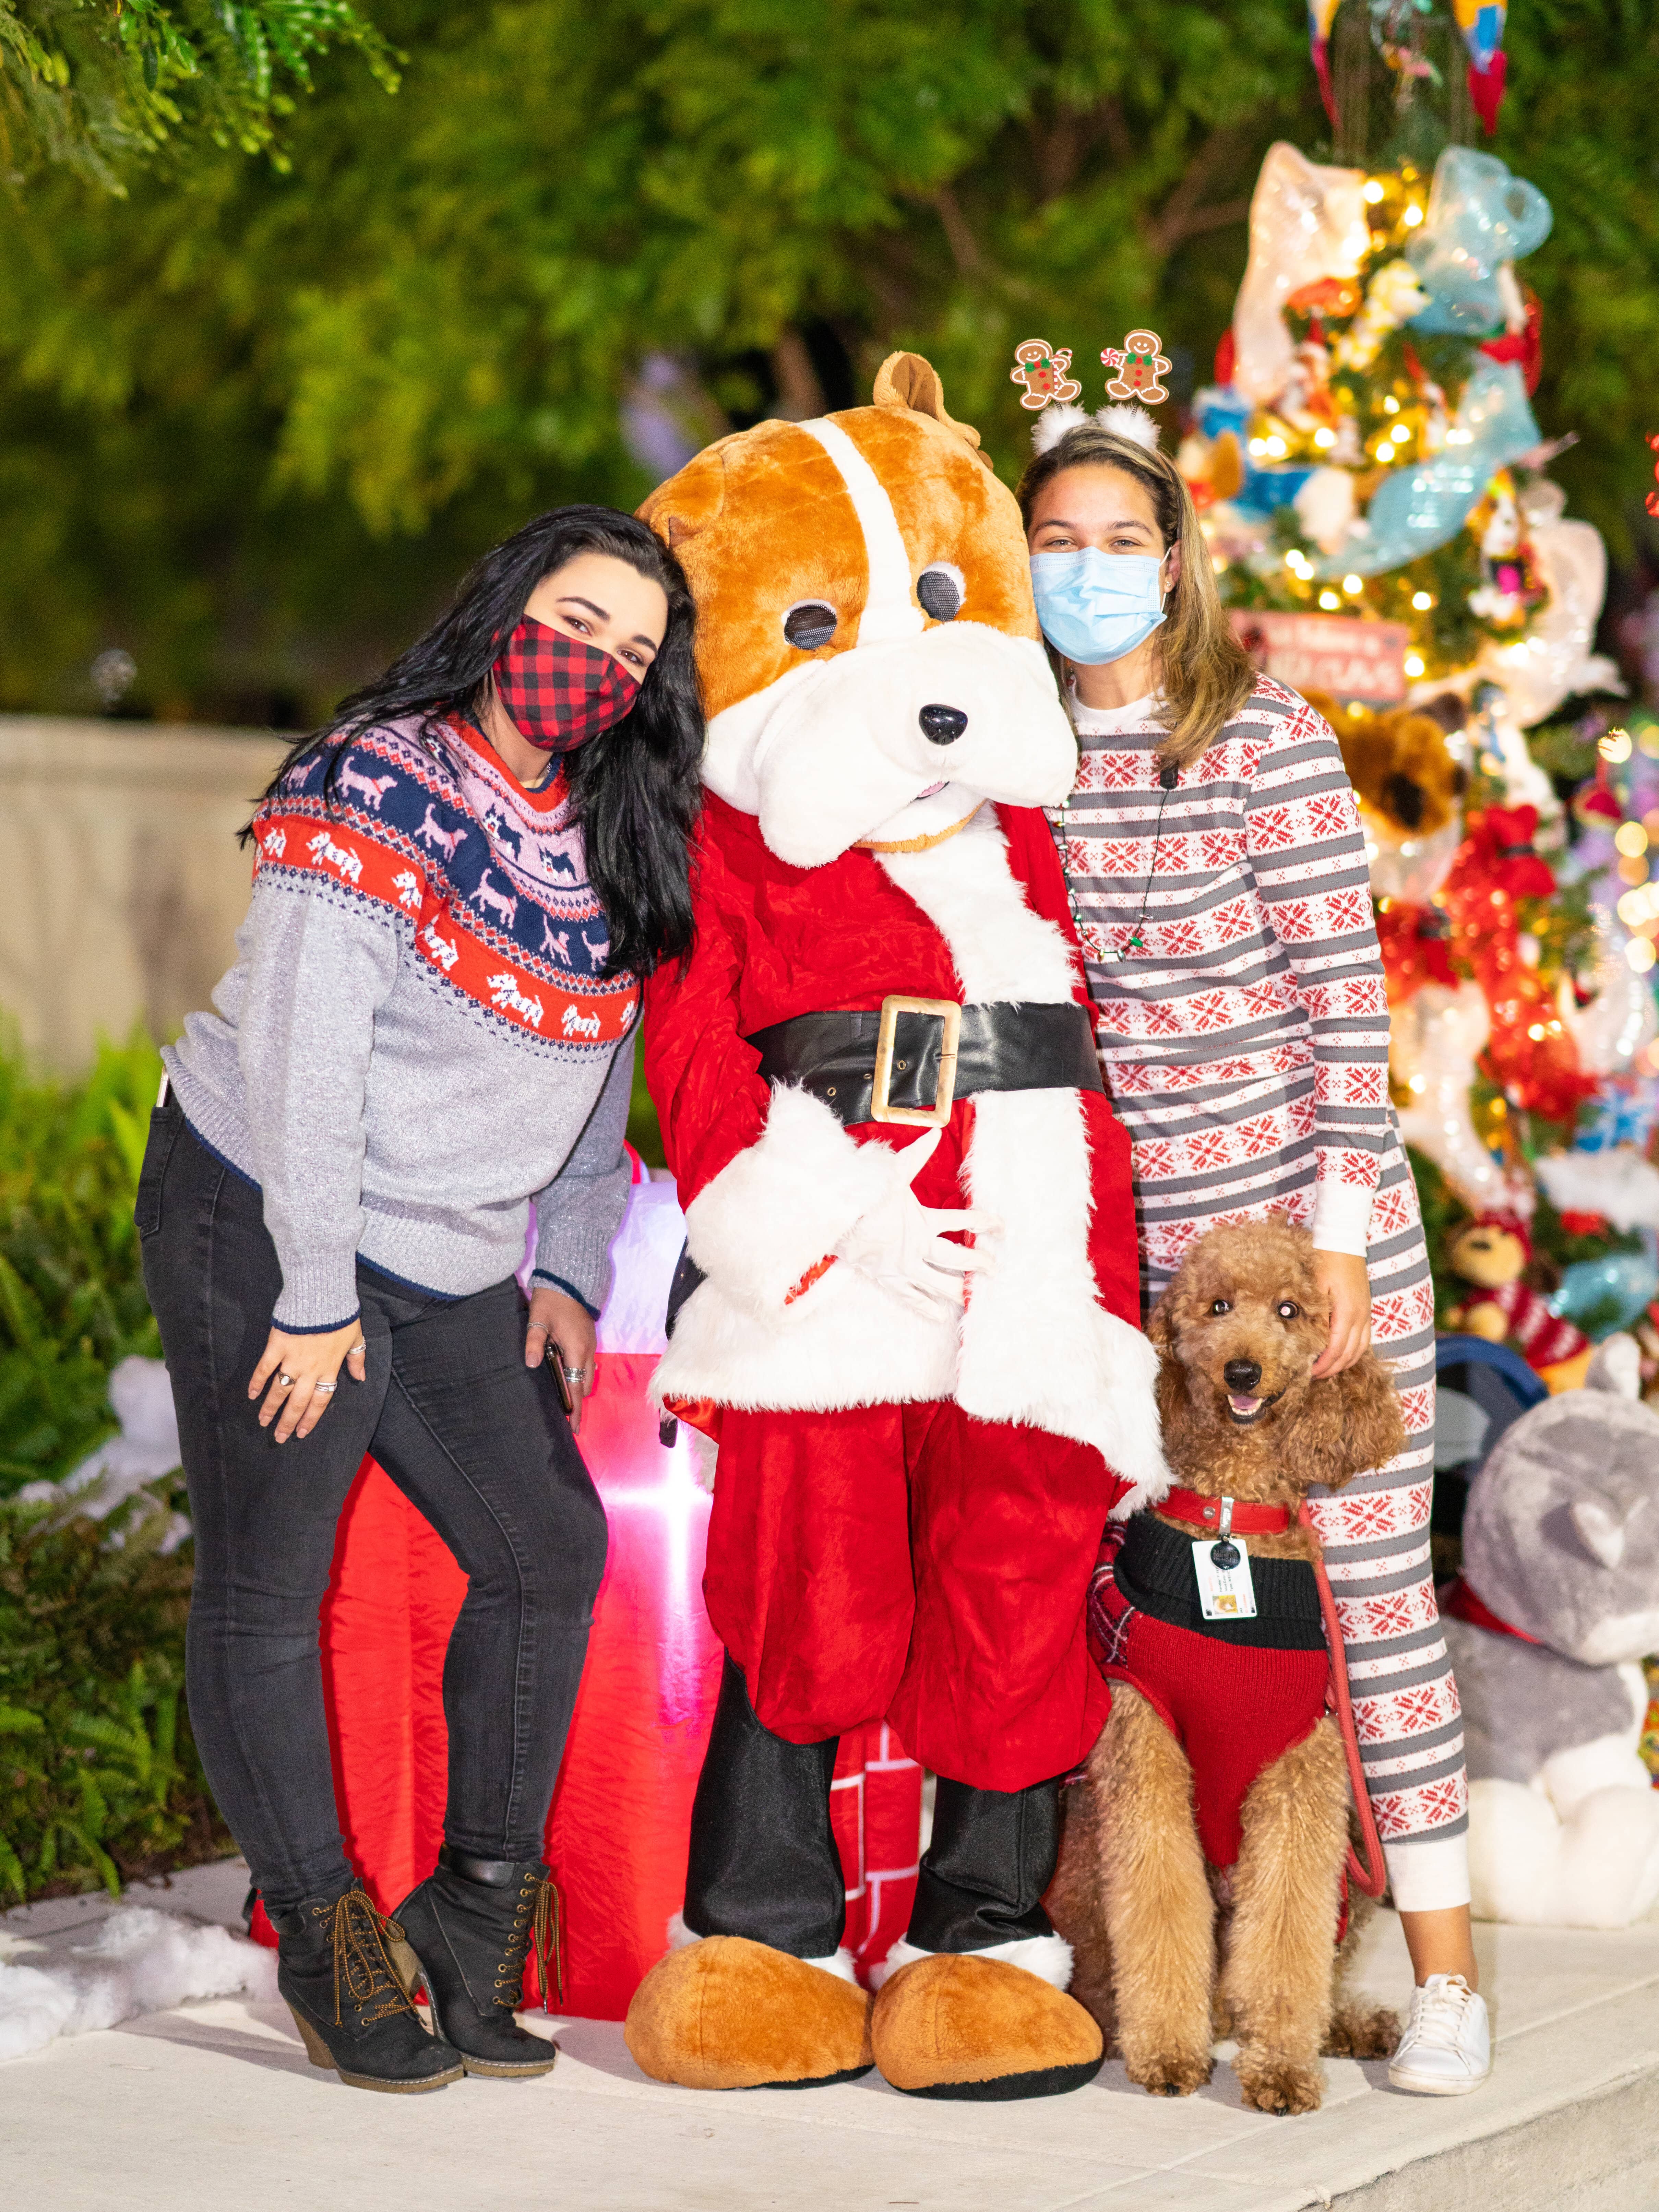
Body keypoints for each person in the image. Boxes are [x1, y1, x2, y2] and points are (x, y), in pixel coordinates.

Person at [136, 506, 702, 2092]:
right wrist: (312, 1297)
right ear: (509, 603)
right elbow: (303, 1054)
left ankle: (469, 1918)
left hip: (451, 1250)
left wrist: (574, 1275)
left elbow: (602, 1090)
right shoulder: (376, 776)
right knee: (273, 1570)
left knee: (546, 1549)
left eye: (633, 651)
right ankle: (328, 1937)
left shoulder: (612, 830)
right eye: (574, 620)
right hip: (264, 1206)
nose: (593, 662)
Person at [1018, 407, 1490, 2098]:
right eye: (1052, 540)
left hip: (1308, 1261)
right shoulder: (1014, 751)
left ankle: (1441, 1983)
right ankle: (1078, 1951)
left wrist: (1350, 1240)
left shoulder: (1261, 733)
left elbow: (1344, 1014)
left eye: (1113, 540)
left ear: (1171, 558)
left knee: (1366, 1609)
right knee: (1142, 1626)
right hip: (1144, 1290)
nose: (1085, 570)